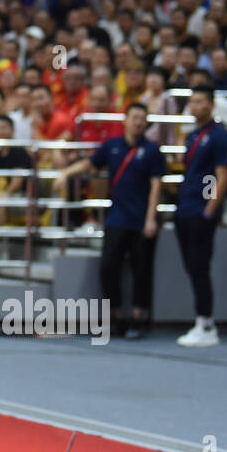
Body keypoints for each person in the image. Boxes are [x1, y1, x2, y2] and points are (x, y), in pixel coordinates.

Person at [53, 103, 165, 338]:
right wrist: (66, 173)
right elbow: (89, 164)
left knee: (141, 270)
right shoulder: (111, 146)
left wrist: (151, 219)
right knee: (108, 267)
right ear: (125, 120)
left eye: (142, 119)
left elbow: (156, 186)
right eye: (134, 117)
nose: (138, 122)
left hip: (141, 219)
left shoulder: (153, 151)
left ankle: (137, 317)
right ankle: (116, 315)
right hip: (117, 218)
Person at [173, 85, 227, 347]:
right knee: (191, 267)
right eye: (192, 102)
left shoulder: (219, 135)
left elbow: (224, 176)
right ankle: (201, 321)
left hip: (201, 211)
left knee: (199, 267)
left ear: (211, 104)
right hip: (185, 208)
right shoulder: (193, 135)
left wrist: (209, 210)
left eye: (201, 101)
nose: (196, 106)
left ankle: (205, 324)